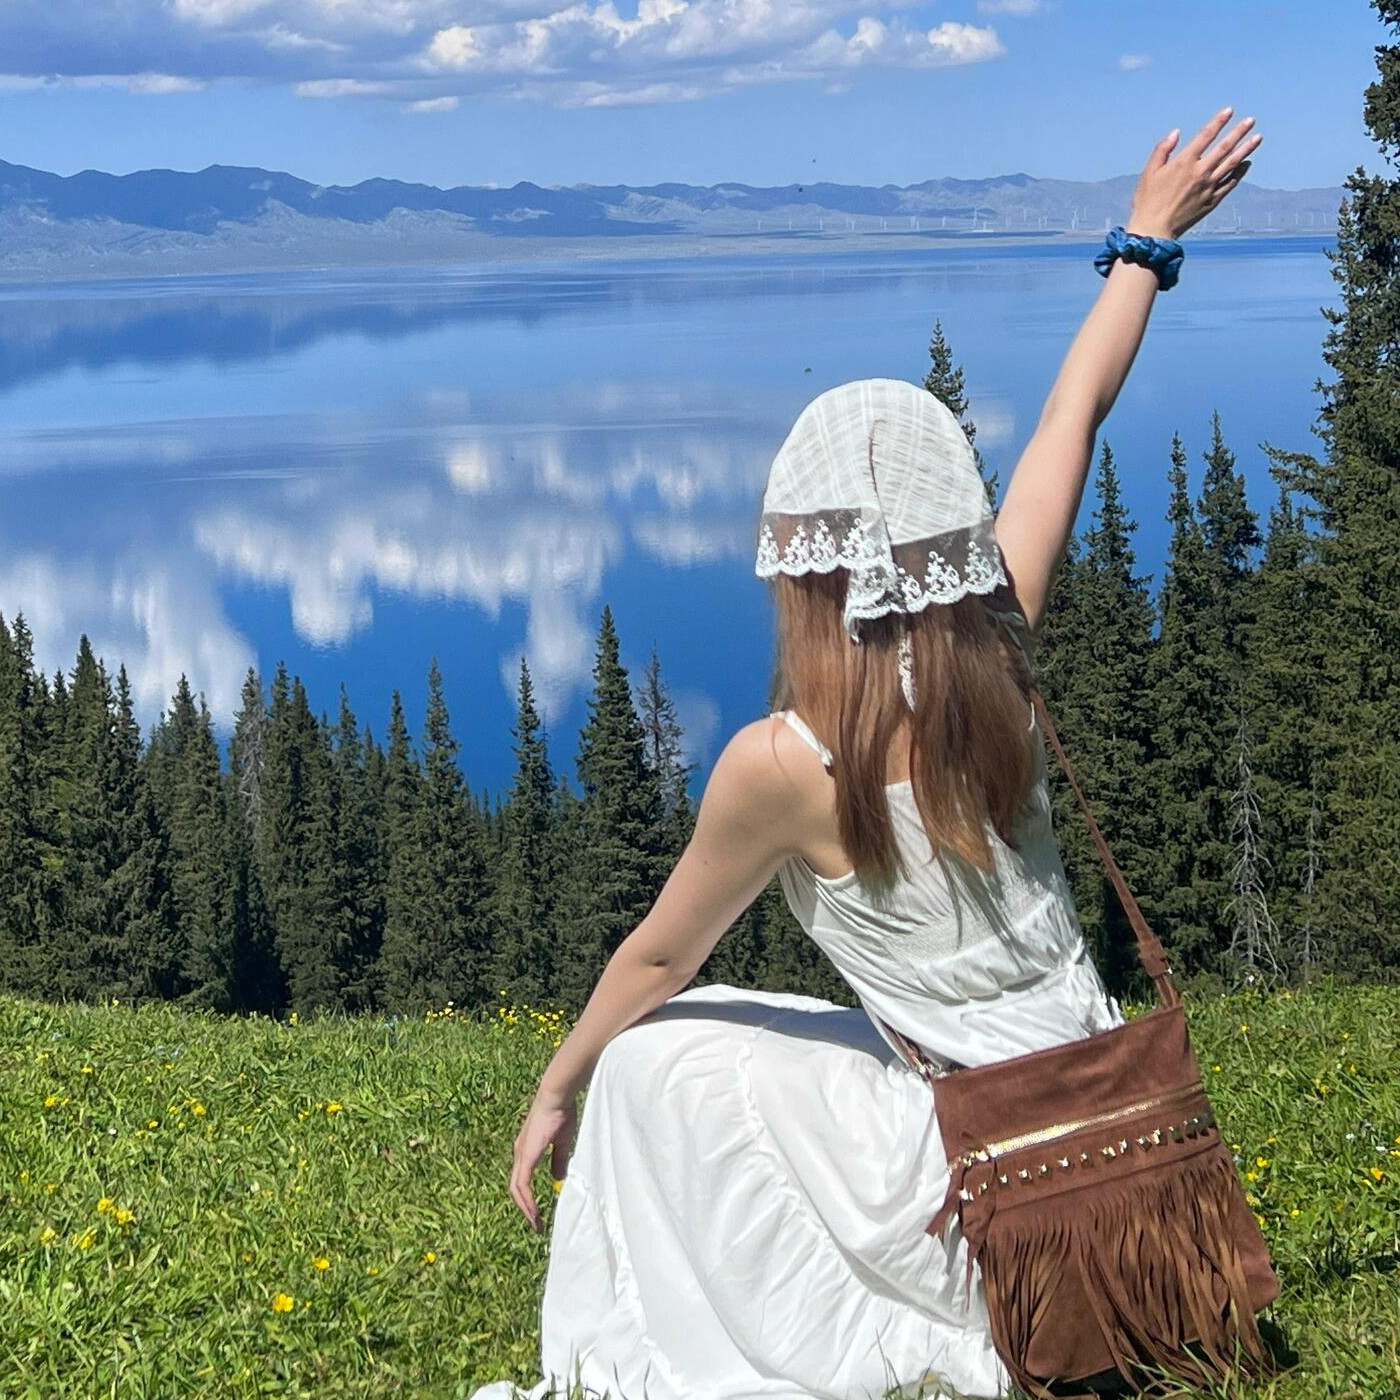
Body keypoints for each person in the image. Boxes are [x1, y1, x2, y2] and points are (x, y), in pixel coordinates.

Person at [472, 108, 1262, 1400]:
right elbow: (1076, 413)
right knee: (758, 1022)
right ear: (950, 525)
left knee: (656, 1052)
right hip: (1116, 1156)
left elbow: (662, 957)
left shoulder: (785, 765)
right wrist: (1147, 237)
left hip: (976, 1200)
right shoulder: (999, 635)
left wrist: (556, 1088)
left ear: (803, 563)